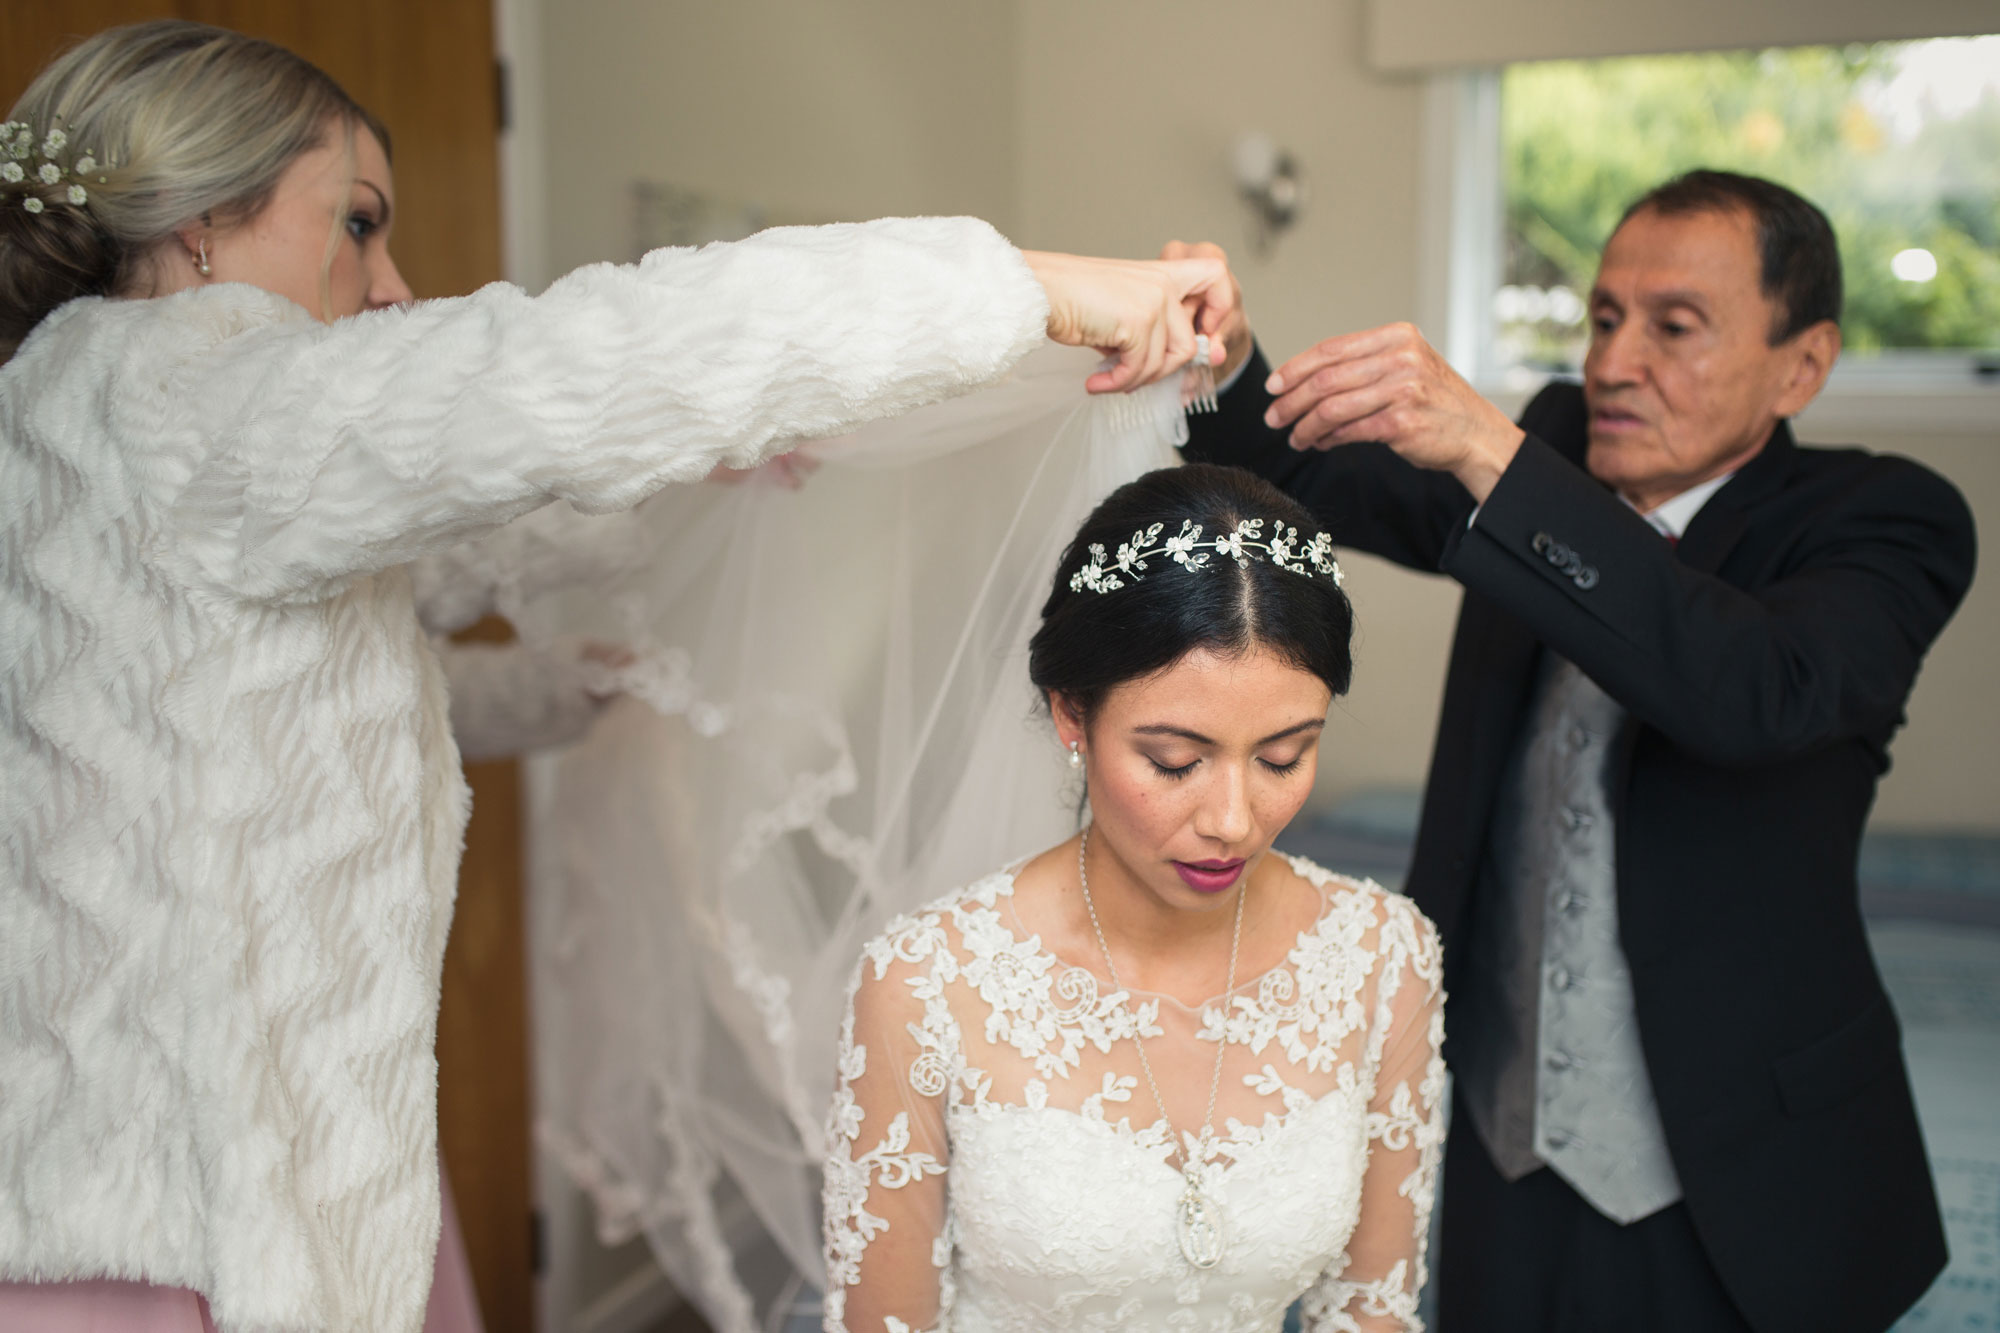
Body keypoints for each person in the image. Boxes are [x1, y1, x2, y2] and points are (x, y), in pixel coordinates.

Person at [0, 19, 1239, 1333]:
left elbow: (260, 700)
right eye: (358, 222)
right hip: (192, 1243)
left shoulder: (65, 427)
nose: (392, 285)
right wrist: (1031, 288)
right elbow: (604, 350)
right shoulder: (195, 405)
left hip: (193, 1180)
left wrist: (569, 670)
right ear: (202, 223)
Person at [1172, 169, 1977, 1333]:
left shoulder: (1884, 518)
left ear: (1800, 363)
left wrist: (1495, 460)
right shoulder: (1547, 454)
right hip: (1499, 1131)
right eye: (1602, 319)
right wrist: (1229, 359)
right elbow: (1297, 474)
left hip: (1739, 1166)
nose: (1610, 363)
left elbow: (1753, 692)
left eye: (1671, 327)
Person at [820, 463, 1445, 1332]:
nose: (1232, 820)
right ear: (1073, 713)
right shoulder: (925, 981)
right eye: (1175, 761)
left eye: (1283, 756)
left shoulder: (1384, 955)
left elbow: (1372, 1312)